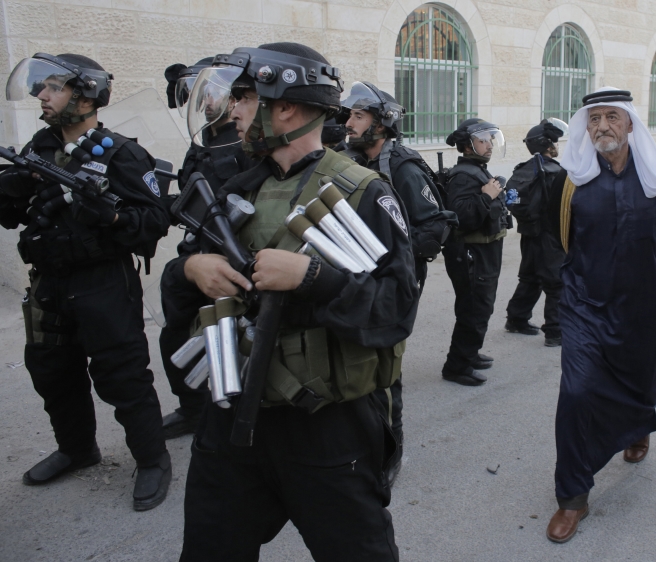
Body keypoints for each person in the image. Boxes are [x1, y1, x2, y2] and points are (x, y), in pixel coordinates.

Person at [172, 42, 415, 560]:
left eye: (241, 97)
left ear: (284, 106)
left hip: (326, 427)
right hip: (233, 407)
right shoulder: (236, 185)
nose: (231, 111)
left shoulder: (365, 194)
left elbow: (396, 310)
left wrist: (313, 278)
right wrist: (191, 268)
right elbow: (178, 280)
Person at [0, 53, 172, 510]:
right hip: (48, 282)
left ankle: (153, 460)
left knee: (123, 375)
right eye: (42, 88)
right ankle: (77, 449)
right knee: (52, 372)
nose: (42, 96)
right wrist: (9, 189)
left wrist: (112, 215)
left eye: (53, 87)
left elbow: (155, 220)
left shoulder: (122, 152)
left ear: (86, 94)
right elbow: (10, 214)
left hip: (102, 282)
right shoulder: (38, 147)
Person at [545, 88, 656, 543]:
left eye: (612, 117)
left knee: (642, 372)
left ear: (631, 124)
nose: (603, 126)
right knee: (578, 392)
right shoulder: (571, 178)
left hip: (642, 299)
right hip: (584, 300)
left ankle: (638, 428)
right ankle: (572, 497)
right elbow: (561, 237)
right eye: (594, 118)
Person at [339, 80, 458, 484]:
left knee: (385, 369)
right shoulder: (344, 159)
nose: (349, 124)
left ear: (383, 123)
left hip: (392, 282)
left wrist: (393, 254)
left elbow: (436, 226)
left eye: (358, 116)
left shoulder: (403, 167)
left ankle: (391, 450)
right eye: (349, 115)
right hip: (347, 279)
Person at [159, 58, 255, 439]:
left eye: (213, 91)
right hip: (196, 255)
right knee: (177, 338)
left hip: (232, 259)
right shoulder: (203, 144)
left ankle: (230, 415)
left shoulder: (245, 144)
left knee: (228, 341)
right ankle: (192, 408)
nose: (205, 100)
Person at [440, 118, 510, 386]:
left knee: (480, 307)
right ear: (467, 146)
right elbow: (462, 216)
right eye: (483, 139)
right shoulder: (463, 176)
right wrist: (486, 196)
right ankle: (456, 366)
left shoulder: (477, 171)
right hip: (471, 254)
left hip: (484, 252)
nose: (490, 143)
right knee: (474, 309)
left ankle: (468, 353)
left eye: (491, 138)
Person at [504, 119, 568, 347]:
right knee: (555, 283)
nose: (557, 145)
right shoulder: (556, 172)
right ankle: (555, 332)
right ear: (548, 145)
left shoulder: (523, 169)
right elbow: (565, 207)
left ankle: (516, 318)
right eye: (555, 142)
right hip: (550, 236)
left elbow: (509, 199)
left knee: (530, 278)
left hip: (529, 233)